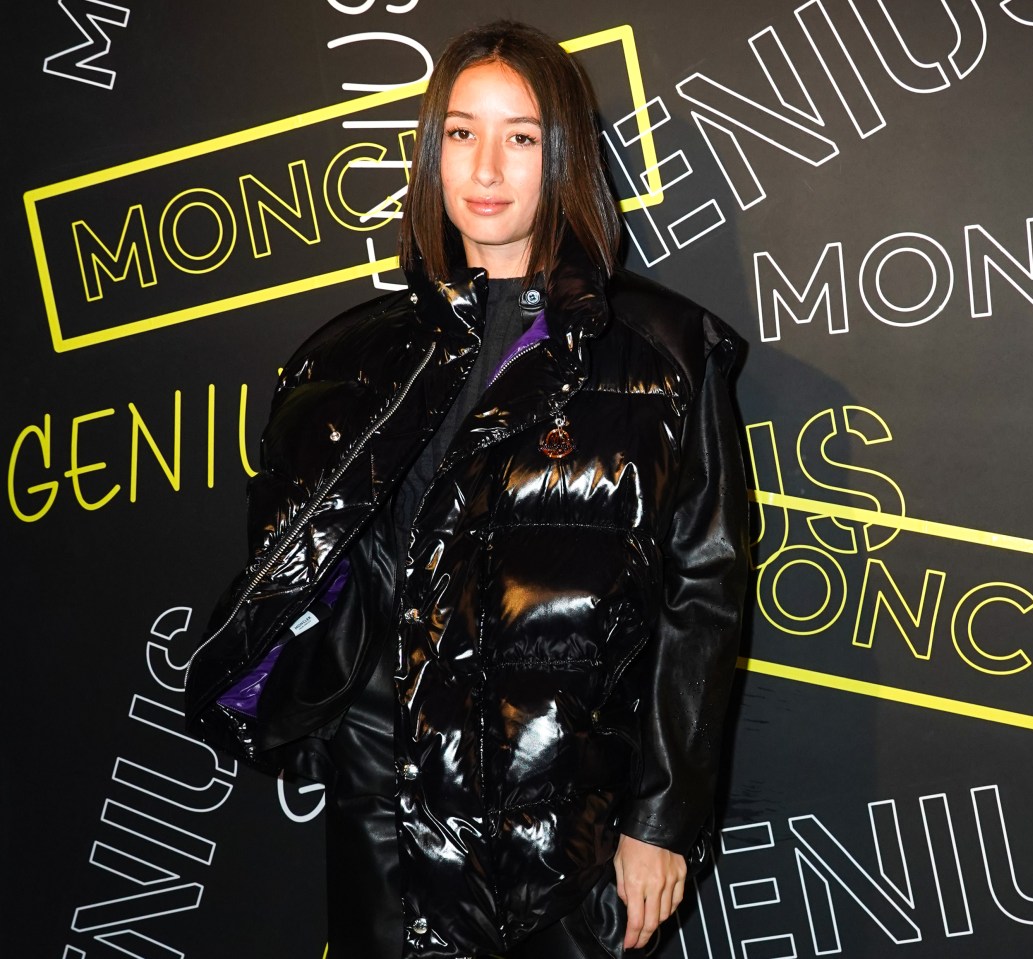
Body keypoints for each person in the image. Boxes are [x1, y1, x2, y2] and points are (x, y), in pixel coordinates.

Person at [184, 20, 749, 959]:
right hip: (387, 828)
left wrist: (662, 817)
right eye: (460, 131)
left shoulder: (665, 355)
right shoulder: (346, 357)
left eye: (520, 137)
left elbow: (706, 591)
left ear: (562, 155)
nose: (485, 166)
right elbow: (318, 579)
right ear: (430, 150)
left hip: (564, 839)